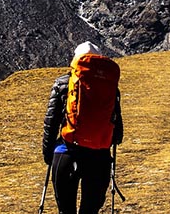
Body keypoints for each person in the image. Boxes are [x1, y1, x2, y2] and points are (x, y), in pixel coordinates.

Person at [42, 42, 124, 214]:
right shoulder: (111, 87)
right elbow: (118, 134)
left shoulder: (63, 83)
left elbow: (51, 123)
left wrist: (49, 155)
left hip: (66, 153)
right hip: (99, 158)